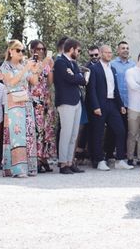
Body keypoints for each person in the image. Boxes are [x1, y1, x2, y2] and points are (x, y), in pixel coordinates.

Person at [87, 45, 133, 171]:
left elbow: (115, 89)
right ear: (101, 53)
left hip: (112, 104)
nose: (109, 55)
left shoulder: (112, 69)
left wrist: (121, 105)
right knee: (98, 133)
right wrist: (95, 106)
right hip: (100, 105)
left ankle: (119, 160)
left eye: (110, 53)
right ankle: (100, 160)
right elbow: (91, 89)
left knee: (120, 130)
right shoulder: (94, 68)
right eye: (107, 52)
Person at [0, 40, 39, 177]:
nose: (21, 53)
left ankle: (29, 167)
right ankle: (17, 169)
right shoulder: (5, 66)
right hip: (13, 105)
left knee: (28, 134)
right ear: (10, 51)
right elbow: (11, 82)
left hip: (26, 102)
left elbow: (34, 82)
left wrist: (35, 71)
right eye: (18, 50)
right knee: (17, 135)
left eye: (22, 50)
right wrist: (26, 69)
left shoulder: (23, 65)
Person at [53, 38, 87, 175]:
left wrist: (77, 76)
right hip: (66, 101)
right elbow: (73, 79)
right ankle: (62, 163)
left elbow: (82, 80)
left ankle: (69, 161)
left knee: (73, 134)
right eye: (78, 50)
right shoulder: (60, 62)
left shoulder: (72, 63)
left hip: (76, 100)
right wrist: (77, 77)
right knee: (66, 133)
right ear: (71, 49)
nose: (78, 53)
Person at [28, 39, 56, 173]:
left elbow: (49, 83)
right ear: (32, 50)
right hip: (34, 99)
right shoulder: (29, 62)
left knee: (46, 129)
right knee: (37, 130)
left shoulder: (46, 64)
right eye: (38, 49)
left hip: (45, 99)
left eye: (43, 49)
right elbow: (32, 81)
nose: (41, 51)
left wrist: (51, 67)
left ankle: (44, 157)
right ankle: (36, 158)